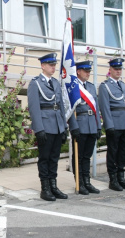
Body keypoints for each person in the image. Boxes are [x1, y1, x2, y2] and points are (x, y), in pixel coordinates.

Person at [28, 53, 76, 201]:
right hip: (45, 125)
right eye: (50, 65)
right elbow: (34, 108)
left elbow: (60, 106)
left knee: (54, 158)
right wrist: (39, 129)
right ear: (43, 66)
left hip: (56, 125)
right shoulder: (35, 83)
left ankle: (53, 186)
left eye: (54, 65)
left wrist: (63, 127)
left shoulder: (56, 83)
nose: (53, 67)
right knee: (45, 158)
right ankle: (45, 188)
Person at [98, 58, 125, 191]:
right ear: (110, 70)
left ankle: (121, 177)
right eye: (116, 69)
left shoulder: (123, 85)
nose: (118, 71)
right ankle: (113, 179)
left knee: (123, 152)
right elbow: (104, 107)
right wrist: (109, 126)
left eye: (120, 69)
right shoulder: (105, 86)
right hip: (115, 124)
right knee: (113, 151)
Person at [68, 61, 101, 195]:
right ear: (78, 72)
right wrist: (74, 126)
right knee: (79, 156)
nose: (88, 73)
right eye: (85, 71)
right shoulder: (73, 87)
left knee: (87, 156)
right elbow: (70, 109)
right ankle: (80, 182)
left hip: (91, 125)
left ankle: (87, 182)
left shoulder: (91, 87)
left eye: (89, 71)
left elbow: (96, 108)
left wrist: (98, 126)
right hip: (80, 124)